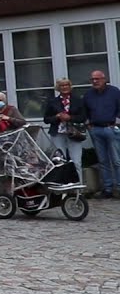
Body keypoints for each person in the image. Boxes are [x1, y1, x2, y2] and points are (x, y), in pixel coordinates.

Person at [75, 70, 120, 199]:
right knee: (103, 160)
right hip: (96, 130)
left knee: (117, 160)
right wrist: (88, 124)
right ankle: (107, 188)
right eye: (92, 79)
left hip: (111, 128)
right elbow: (84, 111)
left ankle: (119, 187)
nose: (95, 81)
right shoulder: (89, 95)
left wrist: (116, 122)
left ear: (104, 79)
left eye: (97, 79)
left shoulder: (114, 92)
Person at [43, 78, 83, 179]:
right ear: (58, 88)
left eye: (66, 85)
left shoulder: (78, 100)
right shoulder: (52, 101)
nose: (64, 87)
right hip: (58, 133)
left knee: (76, 161)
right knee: (59, 161)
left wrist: (70, 118)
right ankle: (62, 188)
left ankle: (78, 189)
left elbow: (83, 117)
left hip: (74, 133)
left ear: (70, 86)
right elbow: (46, 119)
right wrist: (57, 117)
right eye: (62, 85)